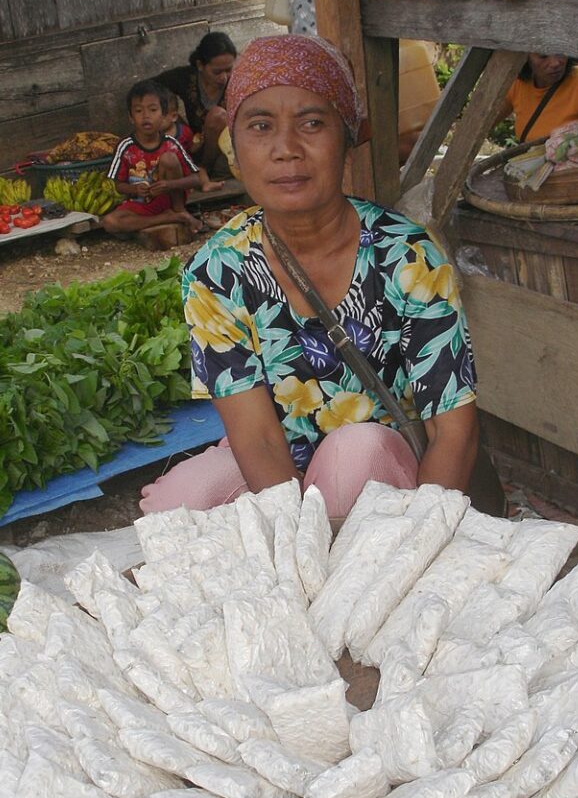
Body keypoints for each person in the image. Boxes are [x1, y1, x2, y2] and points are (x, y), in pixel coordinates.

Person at [140, 34, 479, 518]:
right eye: (260, 126)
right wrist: (302, 546)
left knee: (353, 456)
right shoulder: (218, 271)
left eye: (312, 123)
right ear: (235, 146)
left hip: (389, 471)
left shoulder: (406, 256)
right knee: (181, 507)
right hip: (280, 464)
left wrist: (422, 538)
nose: (286, 149)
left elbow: (453, 431)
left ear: (345, 140)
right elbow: (256, 438)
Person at [101, 80, 202, 238]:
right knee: (109, 222)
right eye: (139, 111)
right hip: (141, 205)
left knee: (169, 159)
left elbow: (196, 179)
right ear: (131, 117)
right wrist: (134, 189)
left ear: (163, 115)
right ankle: (166, 218)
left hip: (169, 199)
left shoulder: (171, 144)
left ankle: (178, 211)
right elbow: (117, 185)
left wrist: (169, 185)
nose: (146, 116)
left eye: (153, 110)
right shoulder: (125, 147)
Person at [153, 32, 237, 173]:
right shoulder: (185, 77)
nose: (224, 77)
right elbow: (147, 89)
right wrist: (172, 116)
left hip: (227, 152)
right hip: (194, 145)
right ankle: (192, 166)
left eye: (228, 70)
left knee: (218, 116)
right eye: (217, 72)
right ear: (200, 65)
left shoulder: (240, 80)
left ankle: (204, 169)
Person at [163, 91, 224, 194]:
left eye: (163, 116)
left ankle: (206, 184)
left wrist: (197, 144)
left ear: (173, 116)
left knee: (200, 170)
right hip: (170, 169)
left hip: (186, 165)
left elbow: (191, 148)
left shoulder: (184, 131)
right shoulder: (153, 135)